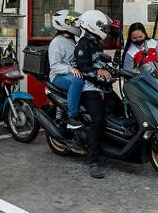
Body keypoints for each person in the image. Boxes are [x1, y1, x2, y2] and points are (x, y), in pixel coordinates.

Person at [74, 10, 113, 179]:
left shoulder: (96, 43)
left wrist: (115, 70)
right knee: (97, 120)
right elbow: (82, 68)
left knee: (121, 111)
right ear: (92, 25)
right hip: (90, 89)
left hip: (104, 87)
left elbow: (101, 64)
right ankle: (93, 161)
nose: (104, 29)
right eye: (102, 26)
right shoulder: (83, 44)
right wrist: (99, 72)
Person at [48, 10, 83, 129]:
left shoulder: (72, 40)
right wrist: (70, 69)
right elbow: (54, 65)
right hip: (58, 76)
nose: (74, 25)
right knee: (77, 81)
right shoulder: (57, 42)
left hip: (70, 73)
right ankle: (72, 117)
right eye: (71, 23)